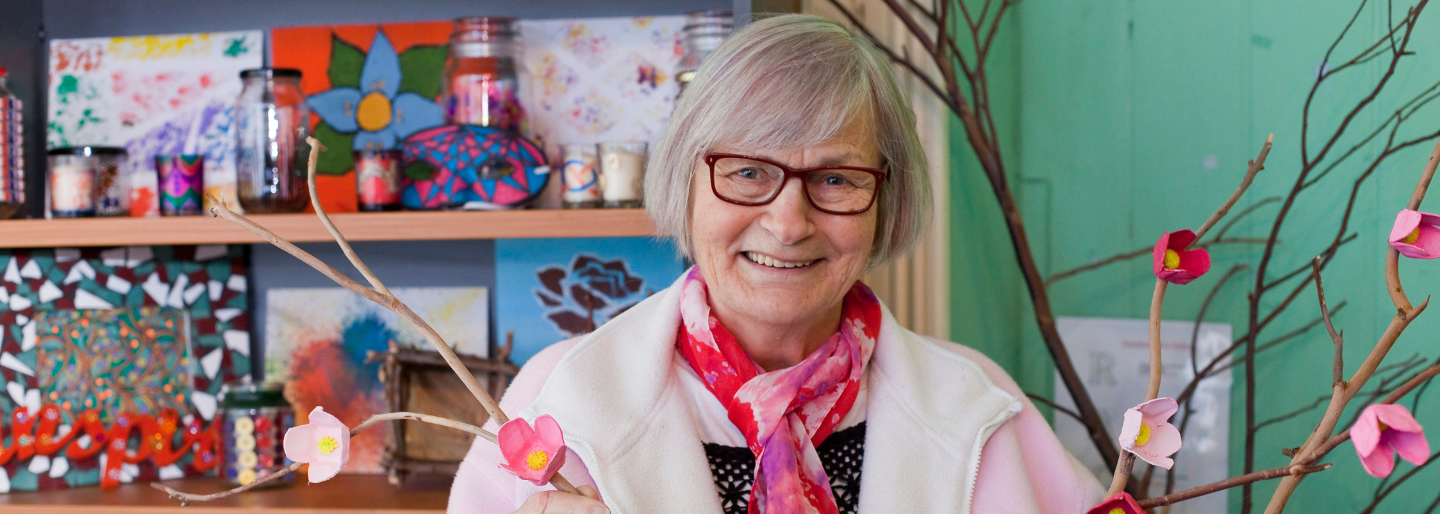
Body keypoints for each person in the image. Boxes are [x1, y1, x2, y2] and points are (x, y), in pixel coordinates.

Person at [449, 14, 1104, 514]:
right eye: (747, 171)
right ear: (687, 182)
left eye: (837, 180)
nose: (788, 223)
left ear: (887, 200)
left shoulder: (981, 406)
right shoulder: (557, 401)